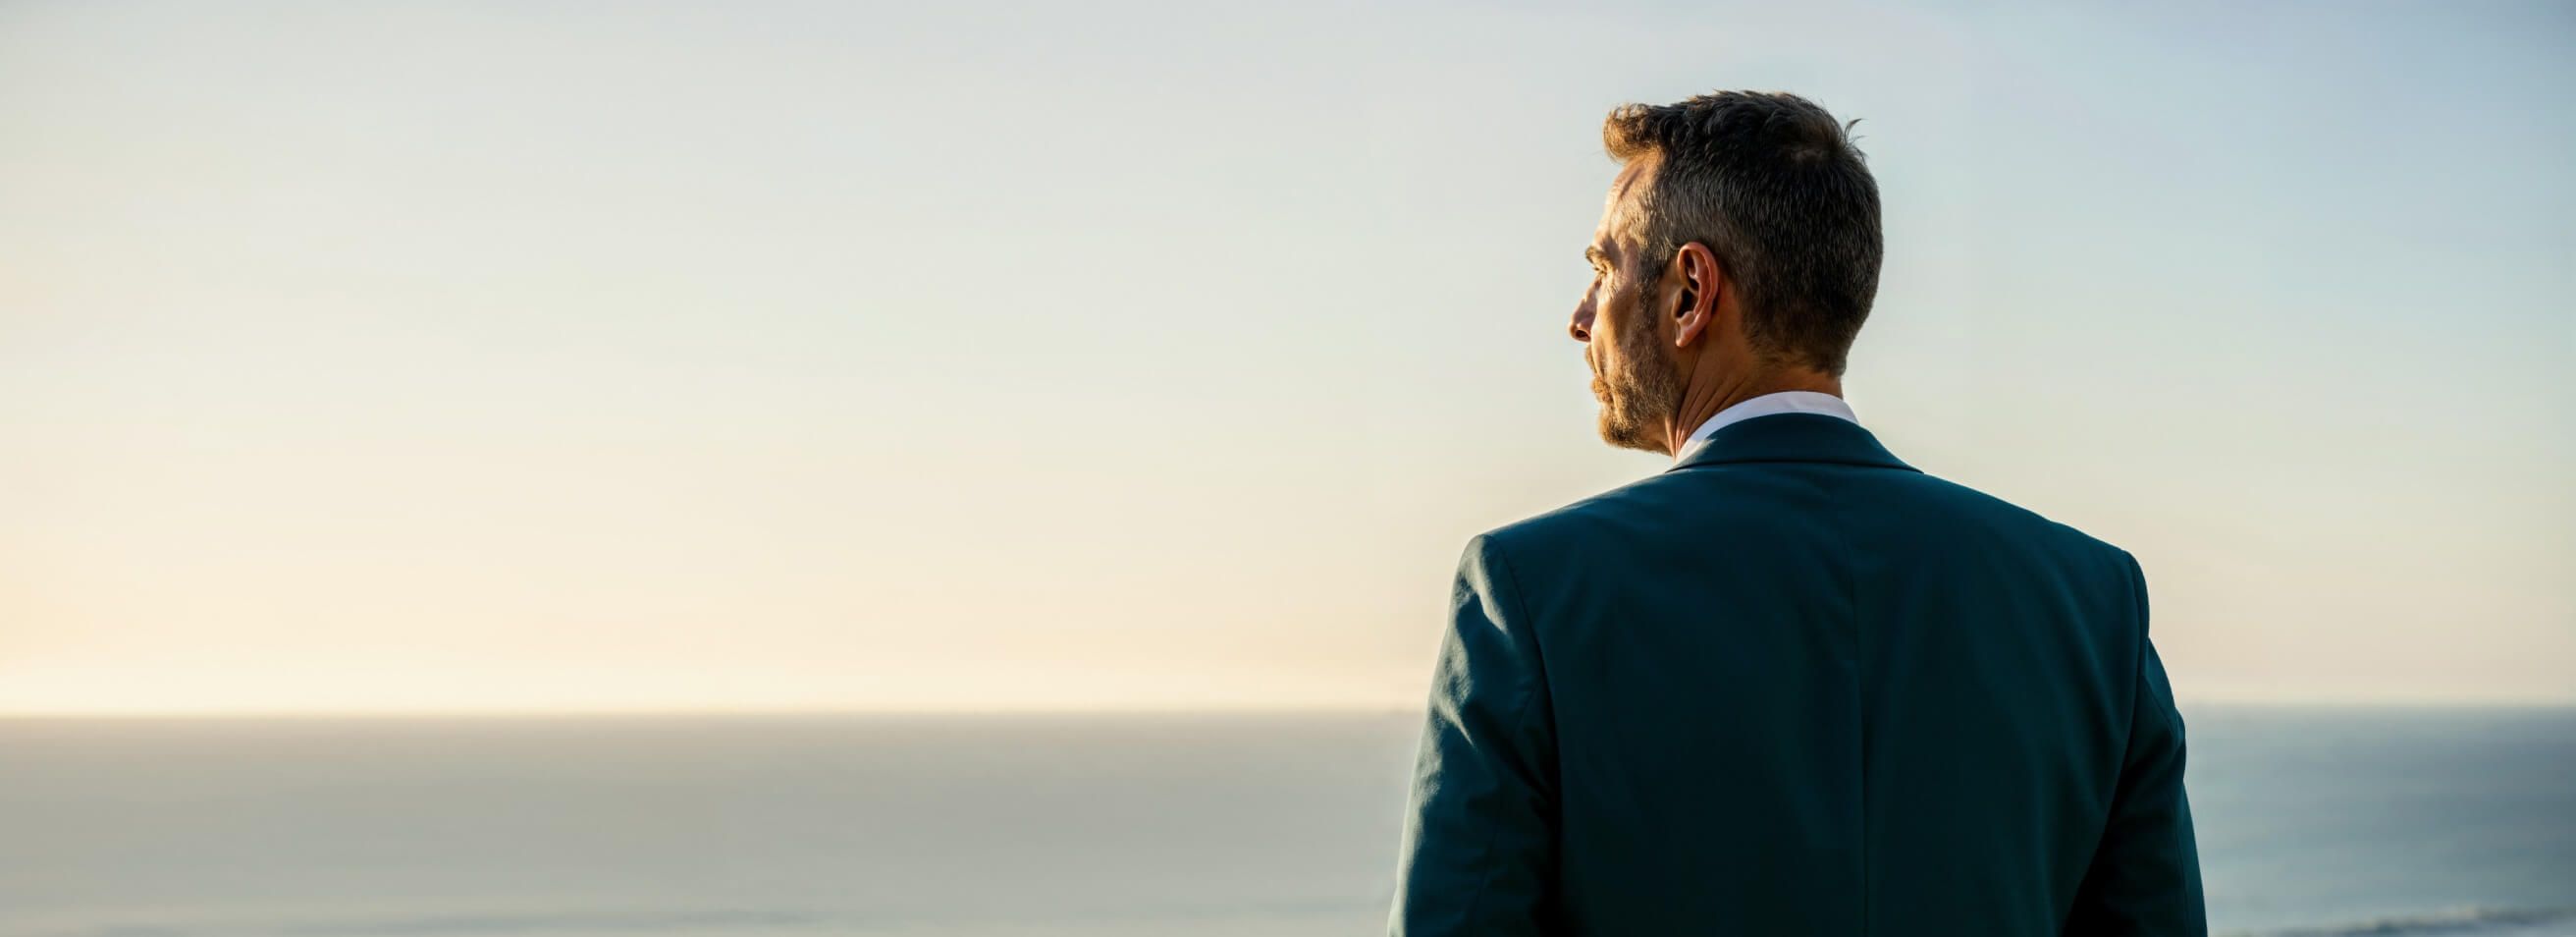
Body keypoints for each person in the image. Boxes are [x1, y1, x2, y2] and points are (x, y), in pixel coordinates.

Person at [1388, 90, 2205, 936]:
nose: (1581, 317)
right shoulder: (2093, 602)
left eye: (1604, 268)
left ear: (1689, 293)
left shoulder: (1528, 595)